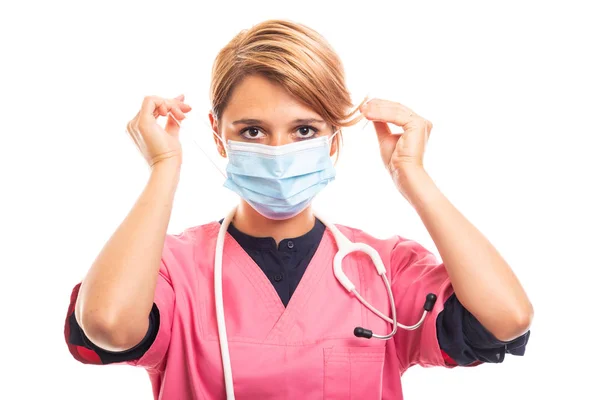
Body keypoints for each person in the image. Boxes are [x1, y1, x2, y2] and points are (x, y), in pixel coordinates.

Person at [63, 19, 533, 400]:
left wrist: (414, 178)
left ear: (333, 137)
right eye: (252, 131)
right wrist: (163, 167)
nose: (278, 151)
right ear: (216, 134)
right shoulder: (170, 269)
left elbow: (506, 319)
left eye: (304, 130)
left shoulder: (383, 270)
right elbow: (107, 324)